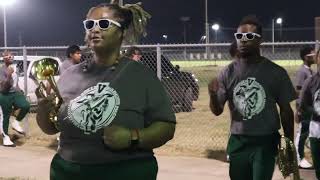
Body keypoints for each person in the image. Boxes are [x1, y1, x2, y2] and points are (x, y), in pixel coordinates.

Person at [36, 1, 175, 180]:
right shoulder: (69, 75)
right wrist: (43, 111)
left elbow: (166, 127)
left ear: (121, 33)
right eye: (89, 24)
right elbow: (51, 128)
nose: (94, 29)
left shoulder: (141, 76)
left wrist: (131, 137)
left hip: (125, 172)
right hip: (68, 171)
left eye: (103, 24)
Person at [208, 15, 296, 180]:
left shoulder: (276, 72)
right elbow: (217, 111)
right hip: (238, 141)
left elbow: (286, 110)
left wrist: (289, 145)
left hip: (265, 141)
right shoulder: (228, 73)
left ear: (260, 40)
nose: (243, 40)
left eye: (249, 36)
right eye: (239, 36)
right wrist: (213, 95)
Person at [0, 50, 30, 147]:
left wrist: (20, 90)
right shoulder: (1, 70)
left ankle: (16, 122)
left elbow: (15, 83)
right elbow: (4, 88)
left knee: (25, 105)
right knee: (5, 116)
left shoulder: (14, 68)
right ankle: (5, 138)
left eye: (11, 55)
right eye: (7, 56)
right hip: (4, 95)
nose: (10, 57)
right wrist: (8, 75)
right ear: (3, 58)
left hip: (14, 94)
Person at [299, 48, 320, 180]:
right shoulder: (311, 81)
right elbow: (304, 105)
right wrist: (315, 111)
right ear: (317, 59)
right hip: (317, 128)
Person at [294, 45, 315, 169]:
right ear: (306, 57)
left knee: (307, 132)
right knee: (302, 133)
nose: (315, 57)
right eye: (313, 55)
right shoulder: (303, 71)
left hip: (311, 107)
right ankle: (298, 158)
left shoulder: (310, 71)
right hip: (305, 108)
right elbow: (298, 91)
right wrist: (299, 110)